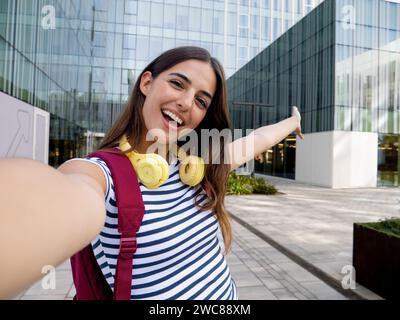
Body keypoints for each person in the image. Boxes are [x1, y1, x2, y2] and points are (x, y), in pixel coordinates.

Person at [0, 46, 303, 299]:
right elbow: (64, 194)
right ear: (147, 83)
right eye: (177, 84)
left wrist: (293, 122)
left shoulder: (194, 168)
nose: (186, 102)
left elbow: (257, 140)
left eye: (200, 100)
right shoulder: (101, 175)